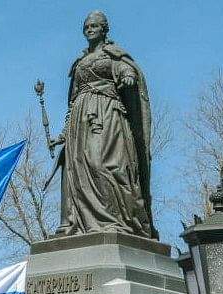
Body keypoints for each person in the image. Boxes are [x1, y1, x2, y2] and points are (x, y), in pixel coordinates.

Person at [55, 10, 155, 239]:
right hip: (80, 121)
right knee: (79, 167)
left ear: (104, 29)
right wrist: (63, 133)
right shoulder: (79, 63)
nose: (90, 30)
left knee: (104, 164)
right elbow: (72, 100)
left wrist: (128, 76)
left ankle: (114, 218)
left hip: (107, 114)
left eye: (94, 26)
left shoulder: (112, 55)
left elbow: (125, 68)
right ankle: (81, 223)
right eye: (87, 27)